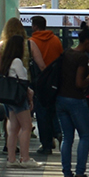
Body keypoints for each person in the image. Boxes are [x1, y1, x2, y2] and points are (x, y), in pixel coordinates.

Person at [0, 18, 40, 168]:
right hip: (19, 96)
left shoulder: (2, 50)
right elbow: (23, 81)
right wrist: (30, 94)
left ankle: (11, 158)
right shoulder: (18, 61)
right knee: (26, 126)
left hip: (8, 96)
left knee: (12, 126)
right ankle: (25, 158)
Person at [55, 29, 89, 177]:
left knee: (67, 137)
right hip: (76, 100)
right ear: (87, 41)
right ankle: (80, 173)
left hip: (60, 99)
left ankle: (67, 174)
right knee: (85, 135)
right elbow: (79, 83)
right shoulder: (80, 57)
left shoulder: (66, 53)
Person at [28, 17, 63, 156]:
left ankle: (46, 145)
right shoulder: (55, 40)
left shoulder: (32, 42)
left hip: (39, 82)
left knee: (42, 113)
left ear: (35, 26)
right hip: (54, 81)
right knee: (53, 109)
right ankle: (58, 131)